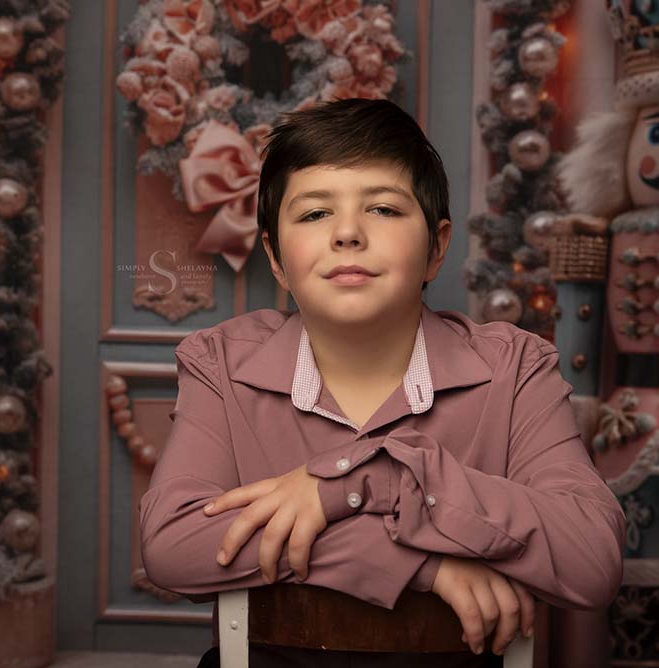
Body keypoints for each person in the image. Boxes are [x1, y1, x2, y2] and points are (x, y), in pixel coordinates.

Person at [139, 98, 625, 667]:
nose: (348, 233)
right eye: (315, 214)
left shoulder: (515, 368)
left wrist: (380, 479)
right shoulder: (220, 362)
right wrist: (418, 562)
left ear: (436, 248)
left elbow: (592, 560)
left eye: (384, 210)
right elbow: (173, 544)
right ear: (275, 257)